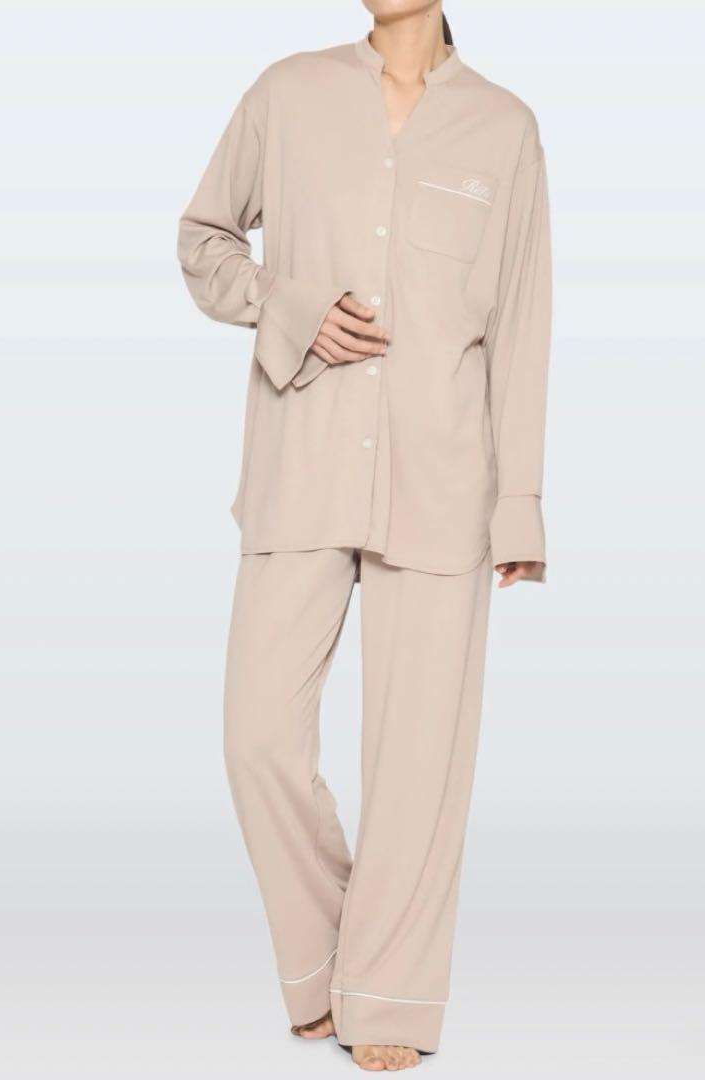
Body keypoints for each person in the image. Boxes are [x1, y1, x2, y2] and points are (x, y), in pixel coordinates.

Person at [176, 1, 551, 1070]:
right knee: (257, 735)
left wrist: (519, 504)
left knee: (418, 760)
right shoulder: (287, 93)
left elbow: (522, 324)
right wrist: (284, 304)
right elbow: (202, 239)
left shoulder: (505, 127)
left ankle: (385, 999)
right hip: (300, 458)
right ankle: (326, 963)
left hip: (443, 475)